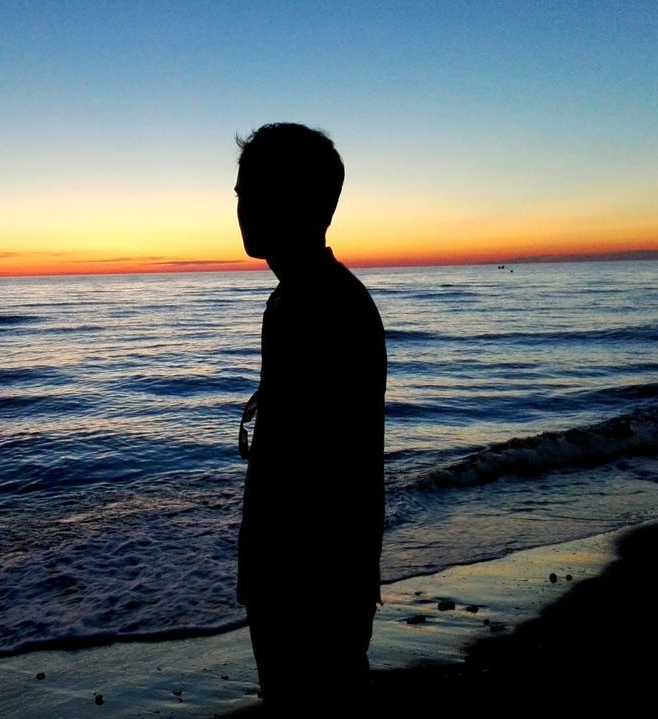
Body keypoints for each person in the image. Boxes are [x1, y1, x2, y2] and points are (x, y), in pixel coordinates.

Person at [234, 123, 387, 711]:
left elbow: (319, 469)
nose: (242, 206)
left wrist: (280, 580)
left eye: (254, 191)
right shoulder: (304, 297)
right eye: (241, 192)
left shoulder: (317, 305)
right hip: (315, 572)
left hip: (309, 580)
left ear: (299, 201)